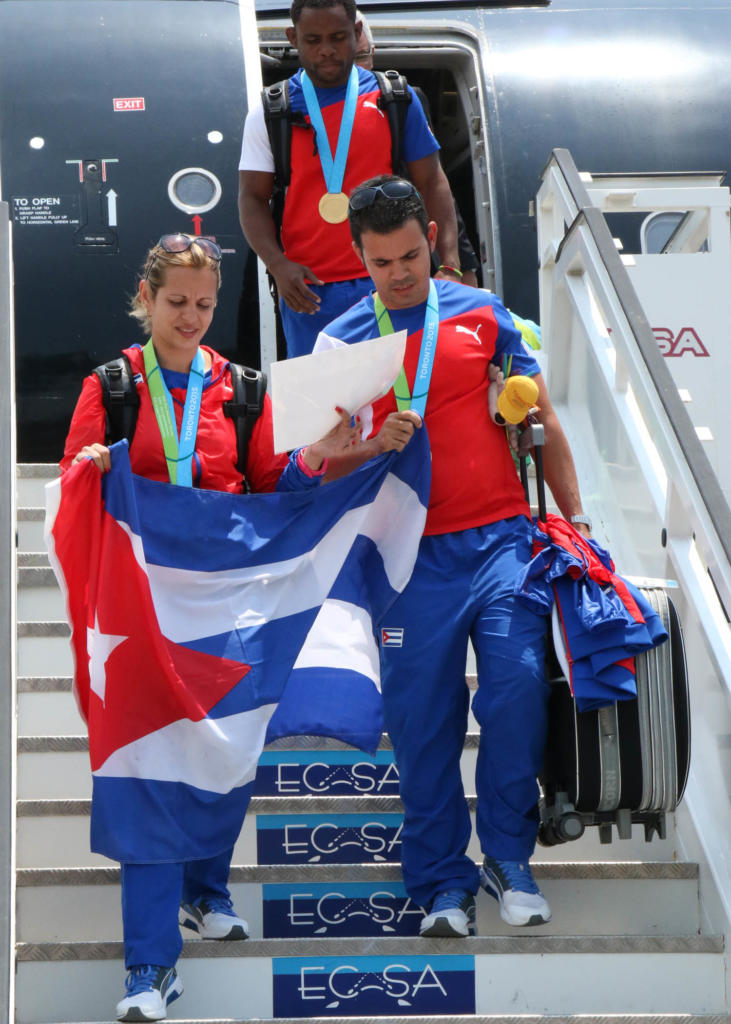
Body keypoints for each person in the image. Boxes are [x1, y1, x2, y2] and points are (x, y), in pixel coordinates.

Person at [61, 233, 367, 1022]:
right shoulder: (113, 384)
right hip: (139, 610)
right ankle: (147, 971)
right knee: (149, 775)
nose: (191, 318)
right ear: (145, 296)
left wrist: (325, 459)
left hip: (225, 606)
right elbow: (72, 490)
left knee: (227, 747)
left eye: (203, 304)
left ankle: (207, 886)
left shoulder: (242, 387)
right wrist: (90, 471)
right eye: (175, 303)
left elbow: (272, 485)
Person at [314, 176, 593, 938]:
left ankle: (509, 858)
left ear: (430, 240)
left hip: (501, 538)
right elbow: (311, 463)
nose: (399, 274)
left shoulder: (480, 311)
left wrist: (580, 520)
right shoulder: (340, 340)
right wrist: (371, 444)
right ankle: (441, 882)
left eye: (409, 255)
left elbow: (538, 414)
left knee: (514, 690)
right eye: (380, 263)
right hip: (406, 559)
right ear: (358, 258)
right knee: (420, 721)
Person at [238, 0, 461, 359]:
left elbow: (433, 183)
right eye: (313, 39)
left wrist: (449, 265)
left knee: (408, 400)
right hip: (310, 293)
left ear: (357, 34)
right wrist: (278, 265)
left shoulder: (396, 99)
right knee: (327, 412)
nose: (326, 49)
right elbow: (251, 198)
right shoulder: (271, 111)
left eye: (338, 37)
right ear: (293, 38)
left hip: (394, 283)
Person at [353, 10, 480, 288]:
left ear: (373, 53)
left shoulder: (400, 99)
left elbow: (434, 185)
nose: (354, 68)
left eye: (360, 57)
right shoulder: (296, 107)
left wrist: (460, 264)